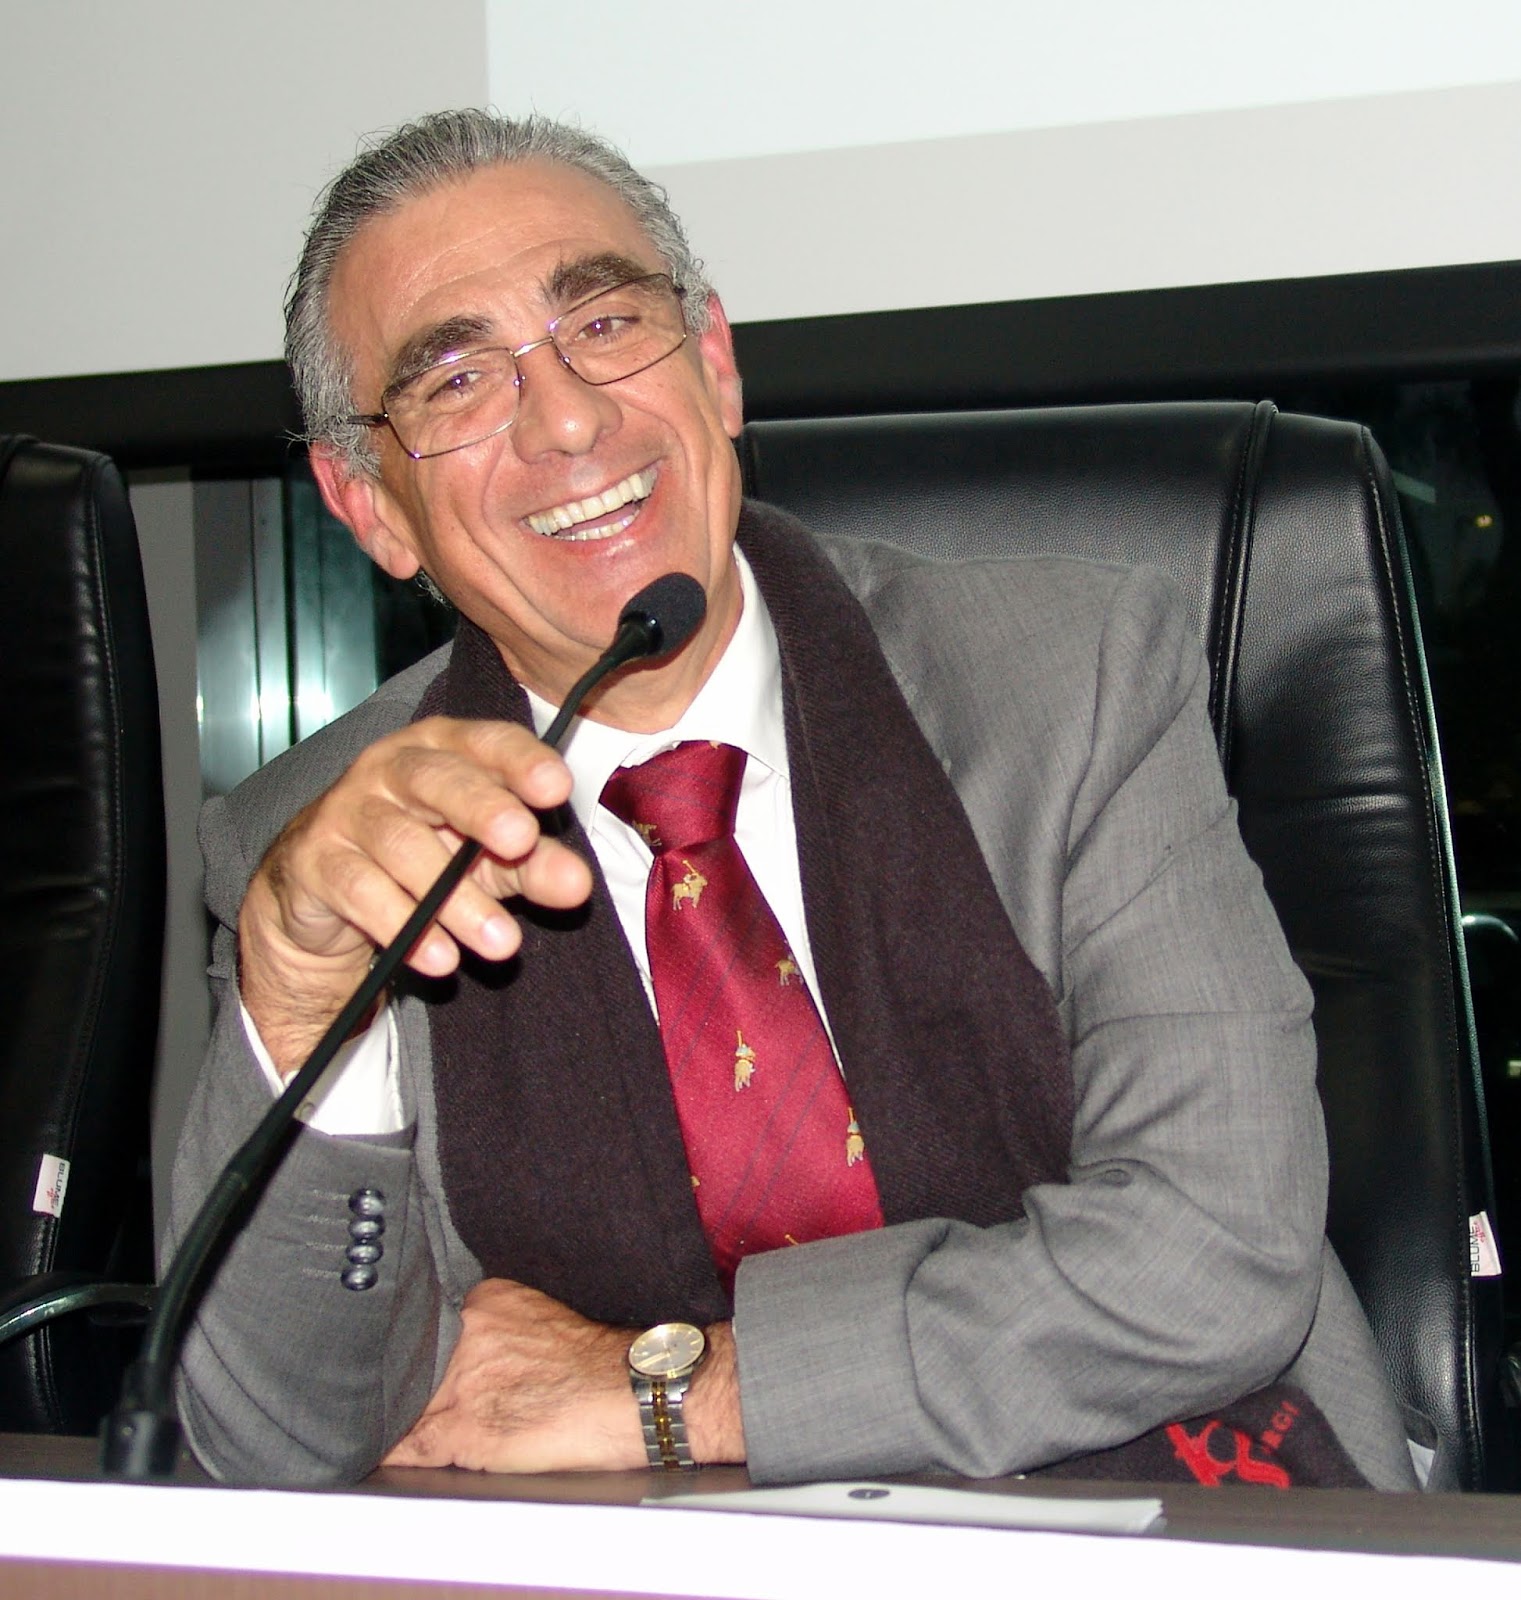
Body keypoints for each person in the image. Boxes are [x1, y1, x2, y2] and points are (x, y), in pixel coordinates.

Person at [169, 109, 1416, 1490]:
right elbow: (280, 1441)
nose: (569, 420)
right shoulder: (320, 851)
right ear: (367, 505)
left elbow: (1210, 1255)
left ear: (713, 364)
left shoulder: (1072, 679)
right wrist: (301, 1002)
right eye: (457, 381)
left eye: (606, 325)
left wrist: (679, 1394)